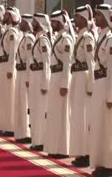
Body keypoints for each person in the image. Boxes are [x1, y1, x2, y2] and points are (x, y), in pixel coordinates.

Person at [90, 4, 112, 177]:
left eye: (99, 15)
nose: (96, 18)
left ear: (107, 17)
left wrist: (111, 95)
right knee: (99, 125)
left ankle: (110, 165)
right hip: (98, 83)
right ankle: (101, 163)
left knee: (108, 126)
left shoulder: (111, 40)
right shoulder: (101, 37)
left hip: (107, 85)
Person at [43, 10, 75, 159]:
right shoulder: (58, 38)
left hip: (61, 78)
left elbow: (68, 63)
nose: (52, 24)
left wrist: (64, 83)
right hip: (54, 77)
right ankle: (54, 147)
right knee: (55, 114)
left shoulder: (66, 39)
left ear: (60, 22)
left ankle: (63, 149)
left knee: (62, 115)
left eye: (54, 22)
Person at [69, 4, 96, 167]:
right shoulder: (80, 35)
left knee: (84, 117)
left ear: (84, 18)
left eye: (77, 16)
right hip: (77, 78)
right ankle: (80, 152)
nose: (75, 19)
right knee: (78, 117)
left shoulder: (87, 37)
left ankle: (86, 153)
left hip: (84, 79)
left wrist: (91, 85)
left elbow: (91, 62)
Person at [28, 13, 52, 151]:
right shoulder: (38, 38)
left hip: (40, 77)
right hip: (34, 76)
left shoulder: (43, 40)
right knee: (35, 110)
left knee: (40, 110)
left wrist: (45, 82)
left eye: (35, 21)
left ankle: (41, 141)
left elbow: (46, 62)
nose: (32, 23)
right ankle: (36, 140)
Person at [0, 6, 22, 136]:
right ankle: (4, 125)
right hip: (2, 65)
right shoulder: (6, 31)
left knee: (9, 97)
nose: (4, 16)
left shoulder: (12, 32)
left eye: (7, 14)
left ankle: (10, 126)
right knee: (3, 97)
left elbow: (12, 52)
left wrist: (11, 69)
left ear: (11, 17)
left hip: (8, 66)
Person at [14, 14, 35, 143]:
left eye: (22, 21)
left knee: (25, 104)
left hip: (25, 74)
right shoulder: (24, 38)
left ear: (27, 24)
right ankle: (21, 132)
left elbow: (29, 59)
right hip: (20, 73)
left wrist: (28, 77)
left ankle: (27, 133)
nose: (20, 23)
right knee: (20, 103)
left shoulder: (29, 39)